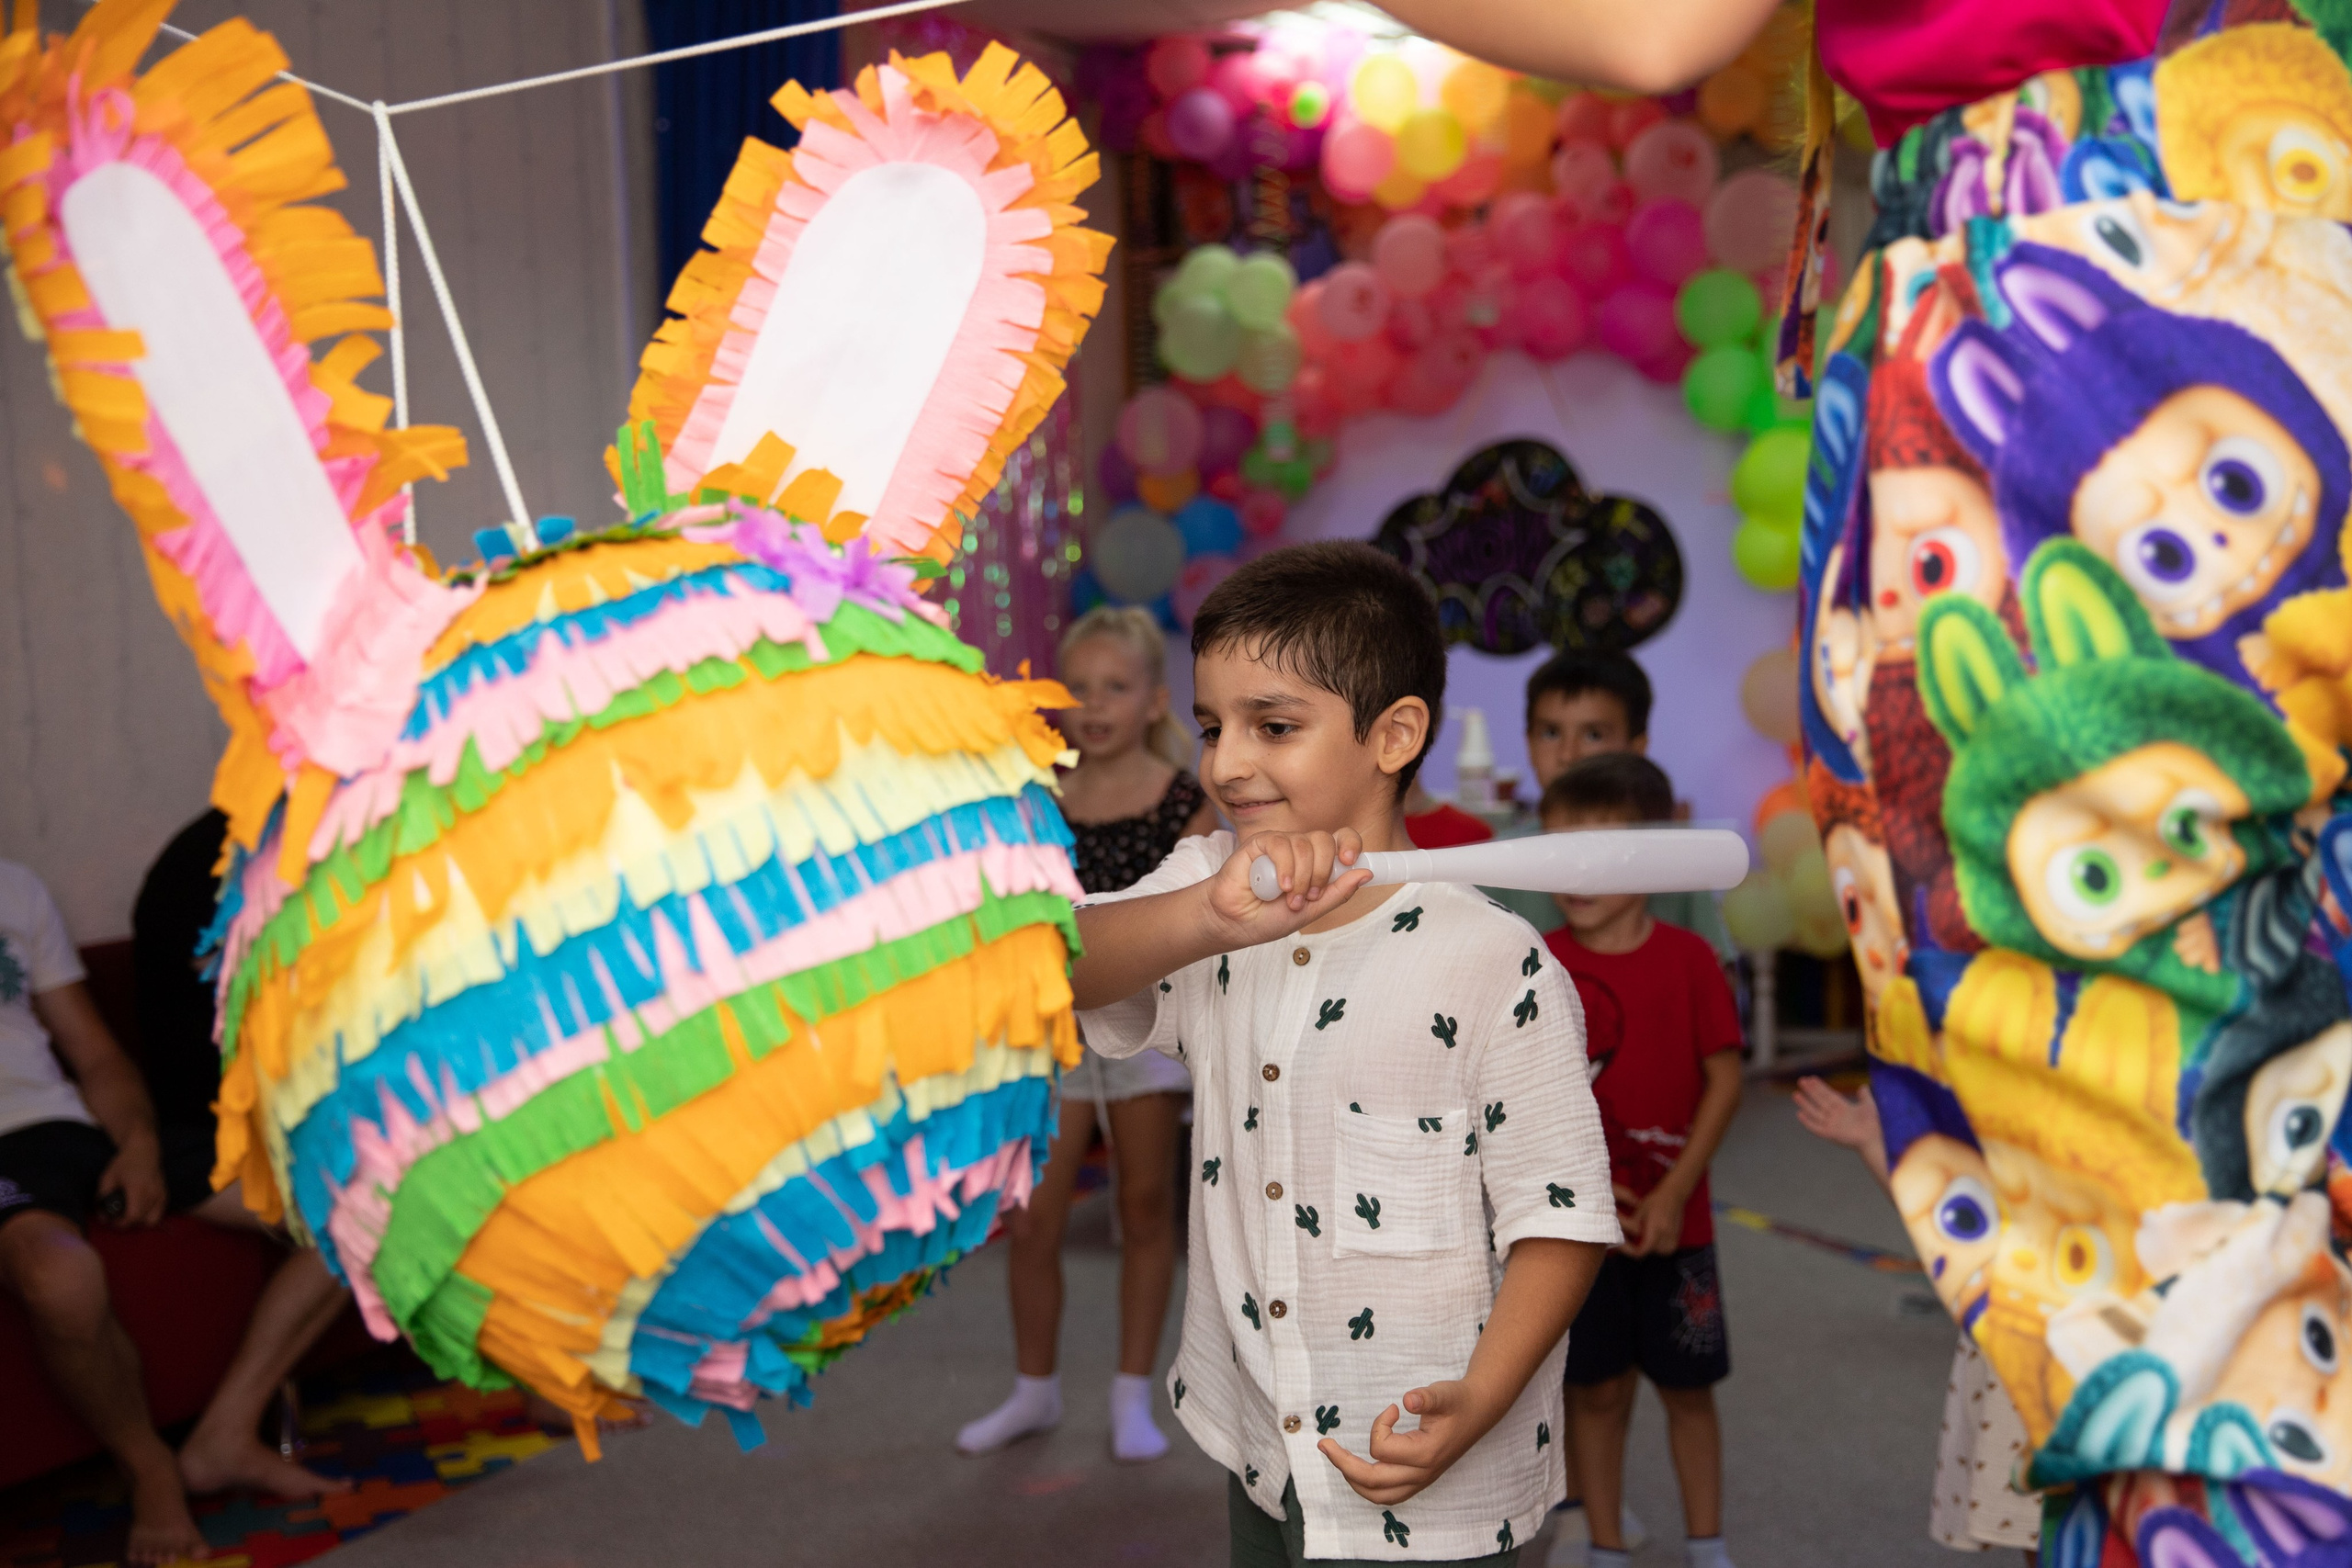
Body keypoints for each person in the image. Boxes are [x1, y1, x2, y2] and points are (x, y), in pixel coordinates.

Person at [1069, 540, 1618, 1564]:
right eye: (1211, 727)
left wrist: (1483, 1398)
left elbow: (1563, 1214)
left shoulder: (1495, 960)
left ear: (1393, 735)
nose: (1226, 762)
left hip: (1441, 1475)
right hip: (1261, 1445)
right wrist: (1206, 919)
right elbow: (1064, 964)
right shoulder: (1205, 889)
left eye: (1272, 726)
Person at [0, 854, 352, 1567]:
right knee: (63, 1276)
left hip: (75, 1128)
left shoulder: (15, 886)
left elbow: (96, 1057)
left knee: (352, 1208)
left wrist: (136, 1144)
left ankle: (223, 1435)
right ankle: (150, 1469)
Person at [957, 606, 1217, 1462]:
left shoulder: (1188, 800)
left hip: (1141, 1029)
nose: (1096, 705)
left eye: (1117, 686)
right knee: (1031, 1218)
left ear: (1152, 701)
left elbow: (1178, 922)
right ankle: (1033, 1389)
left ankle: (1130, 1393)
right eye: (1081, 688)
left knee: (1144, 1209)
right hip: (1044, 1033)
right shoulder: (1033, 795)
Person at [1540, 755, 1744, 1568]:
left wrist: (1674, 1192)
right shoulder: (1535, 958)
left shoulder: (1692, 959)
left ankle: (1709, 1544)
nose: (1574, 875)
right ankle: (1605, 1545)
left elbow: (1725, 1079)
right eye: (1558, 852)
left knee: (1688, 1393)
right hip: (1577, 1234)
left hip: (1679, 1226)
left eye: (1598, 852)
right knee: (1593, 1391)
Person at [1792, 1077, 2040, 1559]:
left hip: (2120, 1347)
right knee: (2039, 1528)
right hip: (2015, 1344)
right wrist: (1874, 1146)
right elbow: (1957, 1230)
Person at [1487, 651, 1734, 972]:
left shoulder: (1677, 859)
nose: (1568, 754)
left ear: (1637, 747)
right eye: (1550, 732)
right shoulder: (1500, 860)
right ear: (1528, 742)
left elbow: (1718, 980)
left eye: (1593, 735)